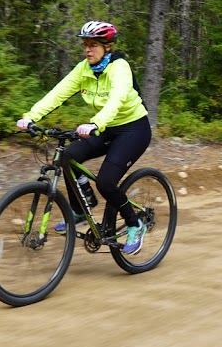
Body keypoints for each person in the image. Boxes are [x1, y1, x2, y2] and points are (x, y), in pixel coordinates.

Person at [16, 21, 151, 255]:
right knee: (68, 157)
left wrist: (95, 123)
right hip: (104, 126)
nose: (88, 50)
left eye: (94, 45)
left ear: (107, 47)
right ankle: (79, 210)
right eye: (86, 45)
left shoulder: (120, 67)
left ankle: (134, 224)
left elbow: (117, 99)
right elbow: (57, 93)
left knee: (106, 182)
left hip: (133, 129)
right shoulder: (84, 69)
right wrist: (30, 117)